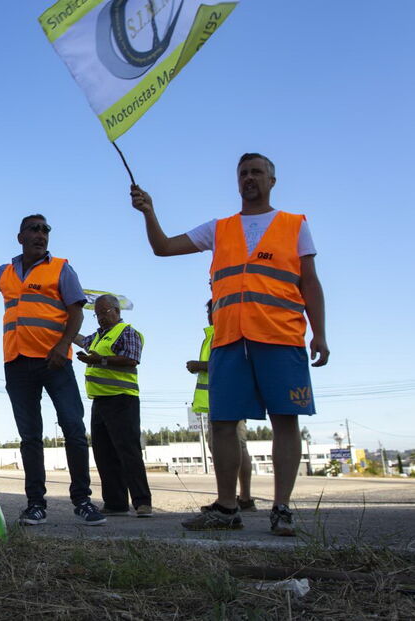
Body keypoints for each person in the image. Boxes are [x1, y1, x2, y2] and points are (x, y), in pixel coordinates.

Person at [130, 153, 329, 536]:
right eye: (243, 173)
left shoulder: (294, 225)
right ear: (237, 182)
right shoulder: (219, 228)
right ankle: (226, 507)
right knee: (222, 423)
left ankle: (282, 508)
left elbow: (311, 282)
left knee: (284, 420)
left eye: (257, 172)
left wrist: (319, 333)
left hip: (280, 336)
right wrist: (148, 212)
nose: (249, 178)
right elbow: (164, 248)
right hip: (229, 339)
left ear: (272, 180)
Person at [0, 215, 105, 526]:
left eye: (46, 229)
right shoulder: (6, 273)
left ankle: (83, 500)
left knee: (73, 429)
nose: (41, 234)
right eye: (34, 228)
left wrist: (62, 347)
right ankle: (35, 504)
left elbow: (76, 313)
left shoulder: (61, 268)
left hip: (55, 362)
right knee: (29, 436)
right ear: (20, 236)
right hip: (17, 363)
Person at [74, 294, 153, 517]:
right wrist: (64, 327)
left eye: (105, 312)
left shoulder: (127, 331)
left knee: (128, 452)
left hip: (122, 399)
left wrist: (99, 361)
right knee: (104, 454)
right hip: (99, 402)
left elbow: (131, 359)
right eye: (97, 314)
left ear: (117, 311)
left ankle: (142, 502)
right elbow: (81, 340)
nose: (100, 318)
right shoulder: (99, 336)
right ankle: (115, 503)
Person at [187, 299, 255, 512]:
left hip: (229, 398)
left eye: (212, 309)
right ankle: (234, 498)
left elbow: (233, 362)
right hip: (217, 400)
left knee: (234, 445)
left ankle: (240, 499)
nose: (209, 314)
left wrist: (201, 366)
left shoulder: (228, 332)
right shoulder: (213, 334)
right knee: (228, 445)